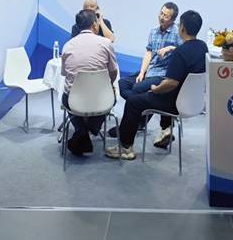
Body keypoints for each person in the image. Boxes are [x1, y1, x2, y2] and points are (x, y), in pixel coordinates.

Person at [105, 10, 208, 160]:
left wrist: (156, 89)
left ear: (182, 28)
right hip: (192, 102)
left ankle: (125, 148)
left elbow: (171, 83)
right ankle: (148, 125)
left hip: (173, 102)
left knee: (133, 102)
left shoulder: (180, 52)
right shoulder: (203, 47)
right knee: (136, 96)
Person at [61, 9, 118, 156]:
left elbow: (65, 74)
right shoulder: (106, 43)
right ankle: (91, 129)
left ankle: (81, 131)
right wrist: (108, 85)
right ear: (94, 24)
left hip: (74, 100)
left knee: (66, 98)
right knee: (112, 97)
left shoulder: (67, 46)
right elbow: (113, 72)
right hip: (101, 99)